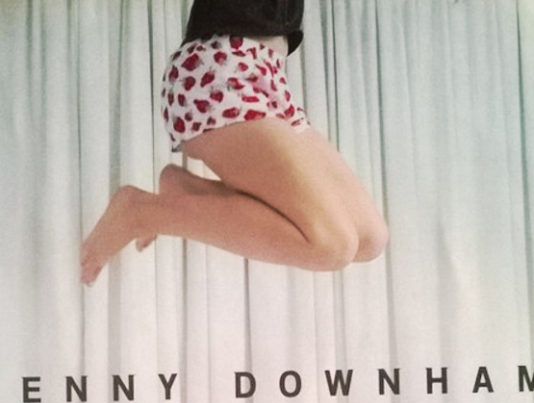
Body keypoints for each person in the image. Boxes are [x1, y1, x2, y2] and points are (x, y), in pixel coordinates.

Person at [80, 0, 389, 286]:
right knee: (331, 244)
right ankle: (140, 211)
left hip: (269, 75)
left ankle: (189, 193)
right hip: (219, 70)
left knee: (370, 237)